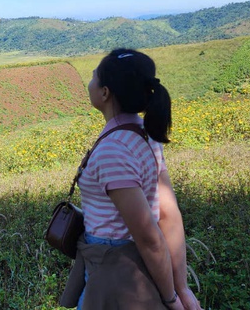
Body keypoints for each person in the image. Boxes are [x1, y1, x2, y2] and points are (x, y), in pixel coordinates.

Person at [62, 48, 202, 310]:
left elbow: (149, 236)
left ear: (105, 92)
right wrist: (181, 287)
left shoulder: (113, 150)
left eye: (93, 76)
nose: (89, 82)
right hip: (133, 261)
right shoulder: (144, 135)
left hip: (115, 267)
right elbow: (169, 214)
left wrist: (172, 298)